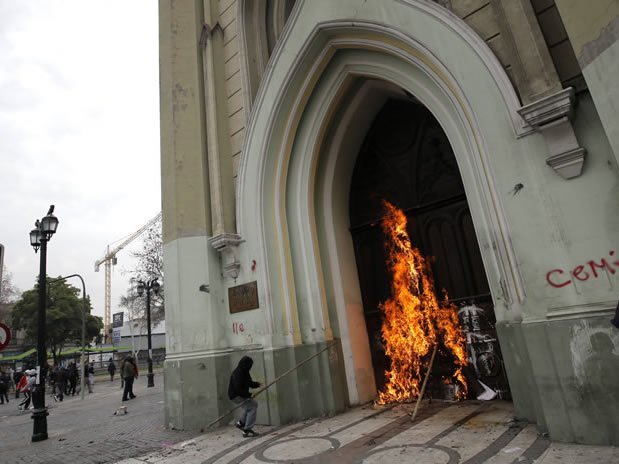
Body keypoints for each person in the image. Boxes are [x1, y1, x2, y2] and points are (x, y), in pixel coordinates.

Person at [228, 356, 262, 437]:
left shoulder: (245, 371)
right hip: (236, 395)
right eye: (249, 365)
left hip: (241, 394)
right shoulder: (238, 373)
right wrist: (249, 395)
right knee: (252, 406)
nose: (250, 367)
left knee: (251, 406)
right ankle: (247, 429)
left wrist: (258, 384)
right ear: (245, 364)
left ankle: (241, 423)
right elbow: (238, 389)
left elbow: (249, 383)